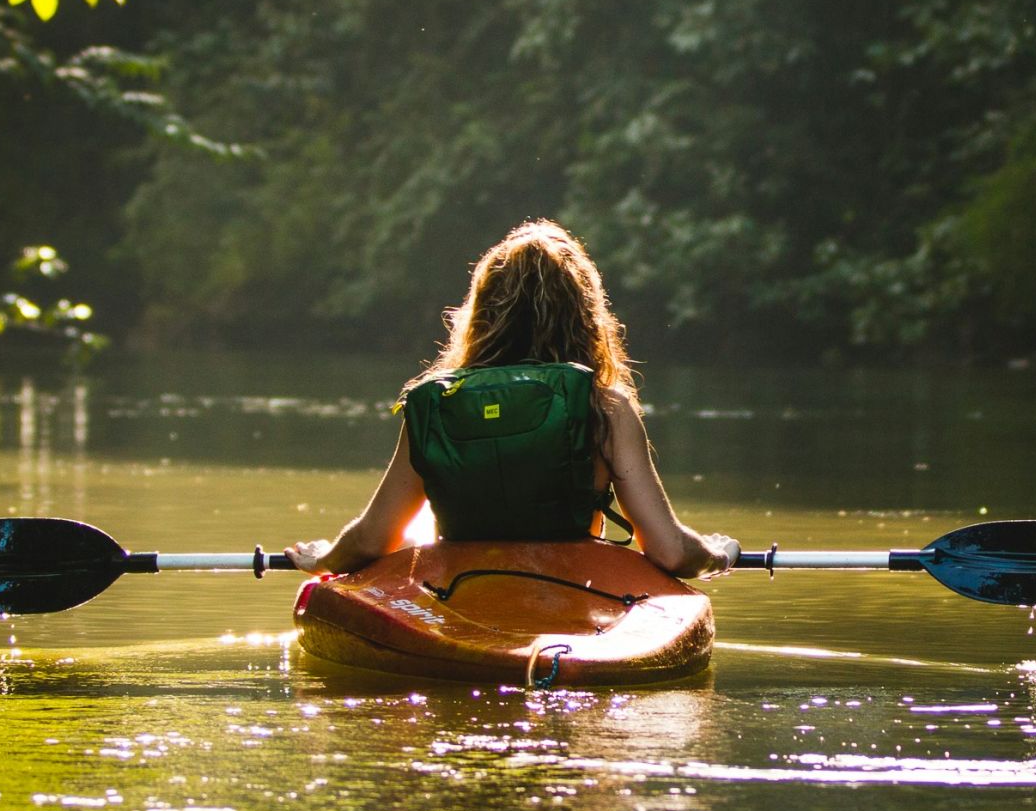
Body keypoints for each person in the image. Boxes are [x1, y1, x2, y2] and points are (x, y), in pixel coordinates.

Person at [286, 221, 739, 579]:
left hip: (459, 591)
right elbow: (670, 552)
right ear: (585, 316)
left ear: (481, 312)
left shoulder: (437, 405)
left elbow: (371, 541)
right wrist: (717, 554)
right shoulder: (606, 409)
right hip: (573, 590)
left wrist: (325, 557)